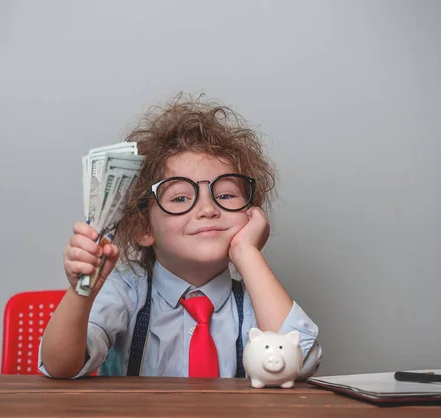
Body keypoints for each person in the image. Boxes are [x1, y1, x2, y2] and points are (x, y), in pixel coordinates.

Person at [39, 94, 322, 379]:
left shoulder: (255, 301)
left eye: (225, 194)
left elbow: (300, 366)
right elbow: (60, 367)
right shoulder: (126, 292)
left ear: (250, 215)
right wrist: (81, 292)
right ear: (144, 228)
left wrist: (248, 253)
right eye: (180, 198)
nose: (208, 209)